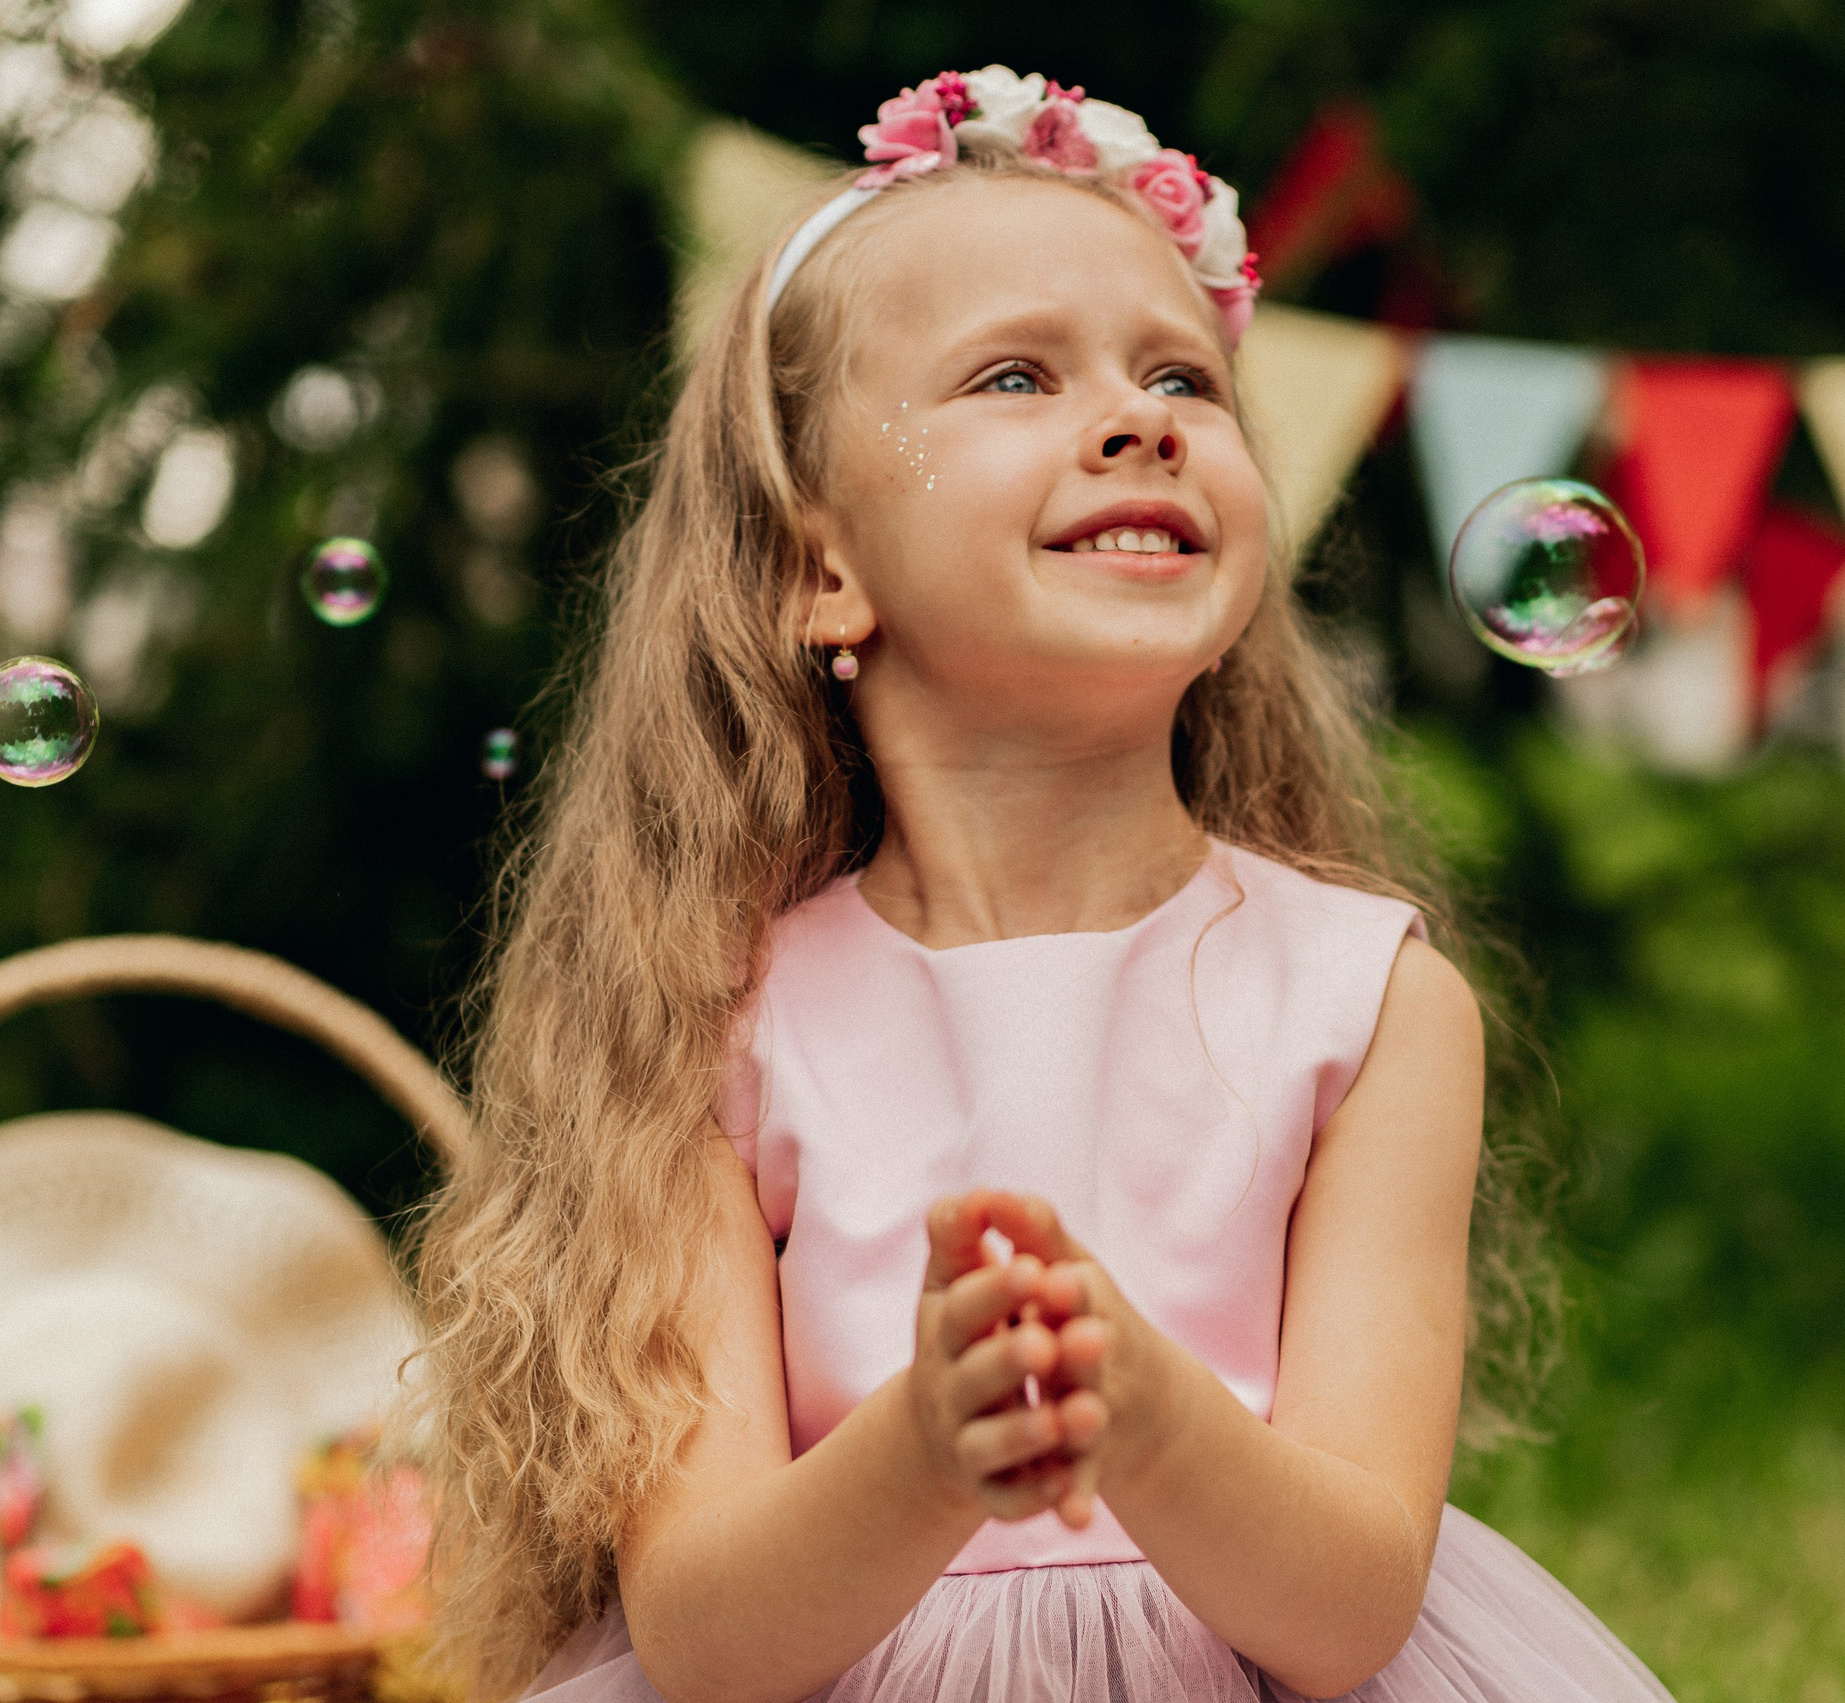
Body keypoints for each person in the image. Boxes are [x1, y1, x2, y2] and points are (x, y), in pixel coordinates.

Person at [406, 66, 1674, 1703]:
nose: (1143, 415)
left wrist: (1145, 1415)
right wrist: (927, 1451)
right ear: (819, 564)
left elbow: (1352, 1608)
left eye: (1183, 377)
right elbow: (712, 1642)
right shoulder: (711, 1020)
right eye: (1015, 373)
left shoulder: (1368, 1006)